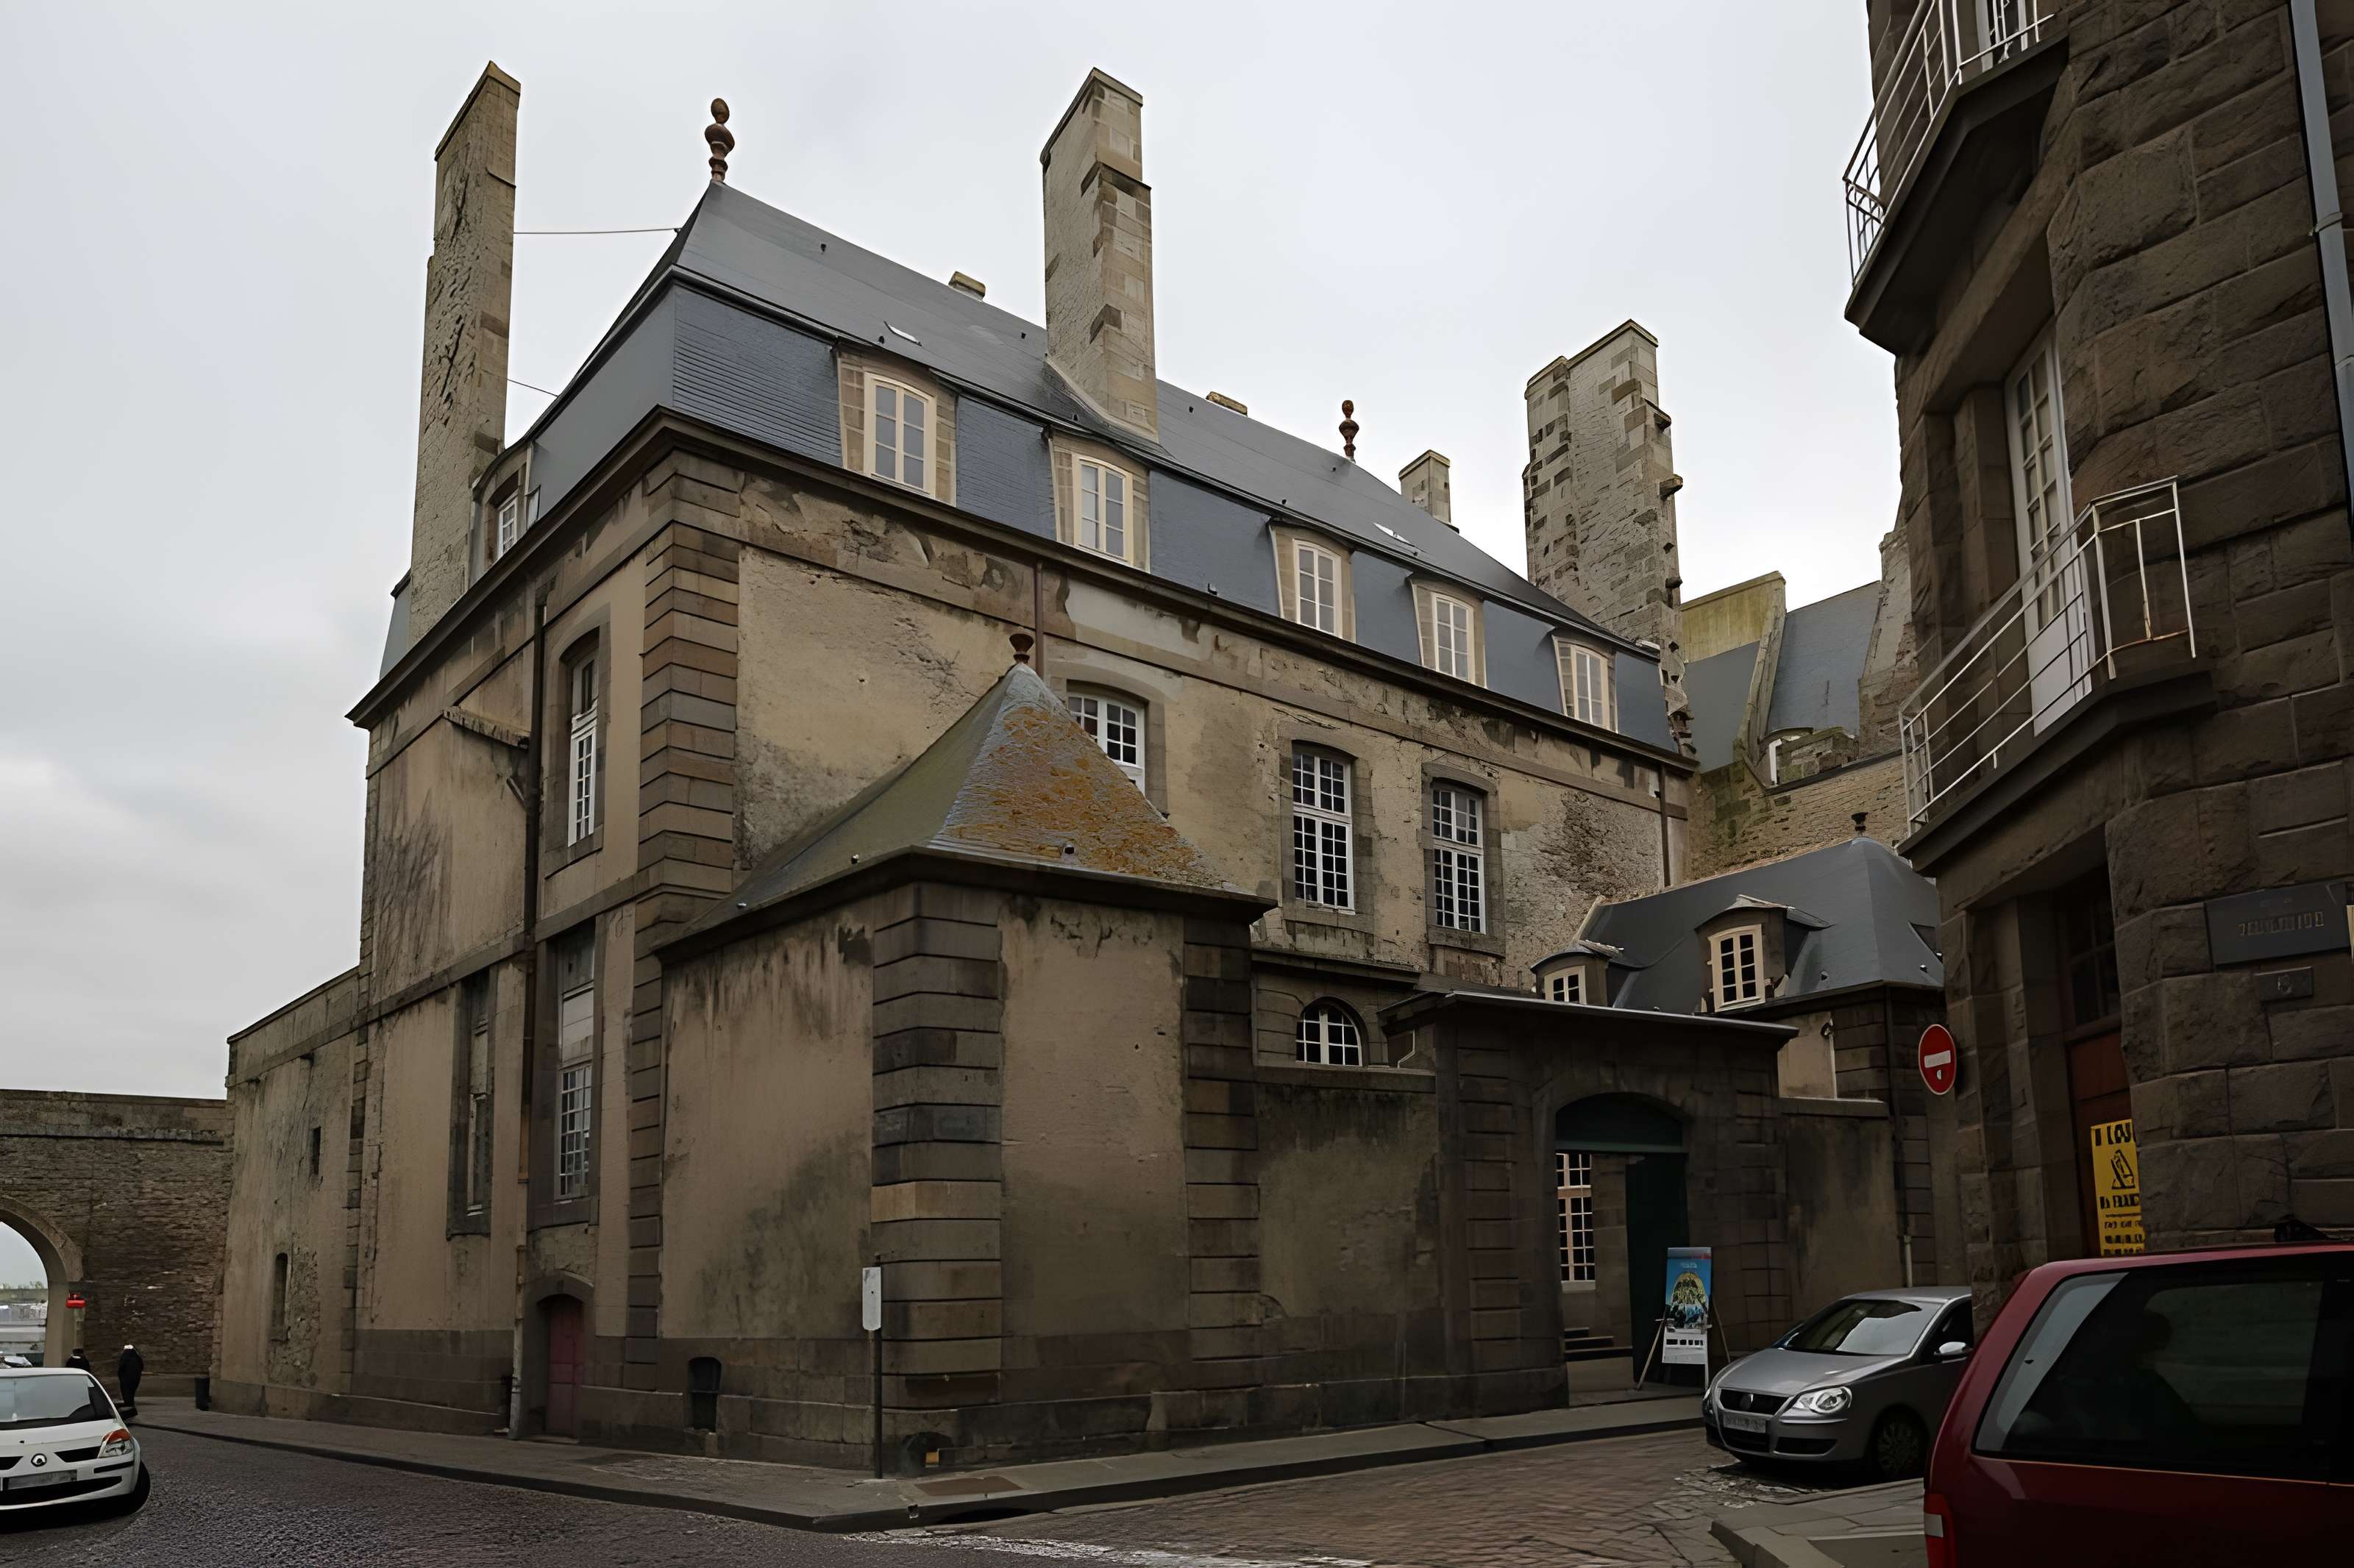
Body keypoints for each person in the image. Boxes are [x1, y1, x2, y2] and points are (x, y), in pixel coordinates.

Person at [115, 1344, 143, 1414]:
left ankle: (129, 1405)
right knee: (131, 1392)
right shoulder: (136, 1357)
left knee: (127, 1392)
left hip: (126, 1379)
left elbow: (121, 1367)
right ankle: (130, 1404)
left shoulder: (125, 1357)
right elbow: (142, 1366)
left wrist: (120, 1376)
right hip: (136, 1379)